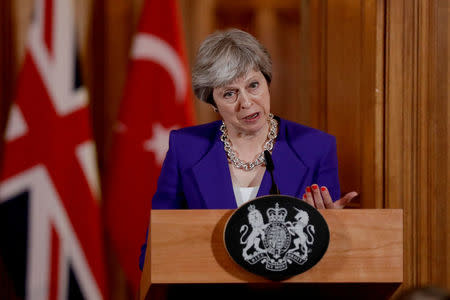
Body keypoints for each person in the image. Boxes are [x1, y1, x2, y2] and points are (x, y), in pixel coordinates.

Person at [139, 29, 357, 270]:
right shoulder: (186, 148)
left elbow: (330, 253)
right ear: (213, 102)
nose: (246, 102)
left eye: (253, 85)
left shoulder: (315, 148)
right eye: (229, 93)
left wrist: (330, 229)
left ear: (267, 82)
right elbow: (156, 245)